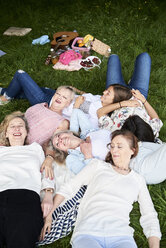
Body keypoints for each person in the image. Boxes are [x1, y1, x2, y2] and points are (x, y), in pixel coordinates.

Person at [41, 129, 161, 248]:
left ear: (132, 150)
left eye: (119, 146)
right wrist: (50, 215)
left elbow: (149, 215)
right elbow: (70, 187)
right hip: (88, 232)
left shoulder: (138, 180)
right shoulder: (98, 166)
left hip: (121, 235)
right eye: (112, 146)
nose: (114, 150)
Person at [0, 111, 54, 248]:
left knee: (21, 241)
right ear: (5, 133)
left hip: (26, 199)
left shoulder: (35, 149)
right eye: (12, 126)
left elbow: (46, 171)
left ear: (26, 132)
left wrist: (48, 195)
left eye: (20, 126)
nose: (17, 129)